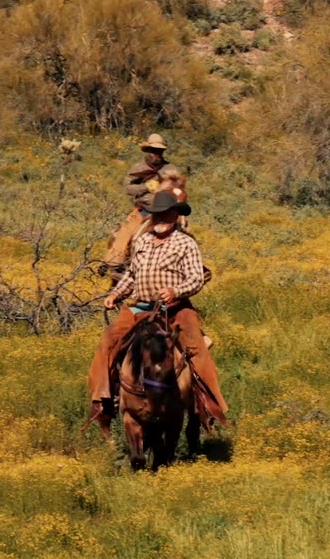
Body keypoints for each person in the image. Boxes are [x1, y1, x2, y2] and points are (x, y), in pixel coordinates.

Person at [88, 190, 228, 437]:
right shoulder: (141, 242)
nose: (161, 218)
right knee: (109, 340)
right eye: (157, 214)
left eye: (167, 214)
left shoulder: (186, 243)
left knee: (196, 348)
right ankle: (103, 402)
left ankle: (210, 407)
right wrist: (115, 294)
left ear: (175, 216)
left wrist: (176, 290)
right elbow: (131, 276)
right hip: (140, 307)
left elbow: (196, 278)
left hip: (176, 309)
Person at [103, 134, 172, 278]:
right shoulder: (138, 168)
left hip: (167, 209)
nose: (156, 154)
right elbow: (127, 188)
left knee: (186, 232)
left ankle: (195, 268)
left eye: (159, 151)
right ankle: (115, 263)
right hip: (145, 209)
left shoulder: (170, 169)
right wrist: (145, 187)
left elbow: (179, 188)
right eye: (153, 150)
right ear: (147, 151)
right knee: (125, 232)